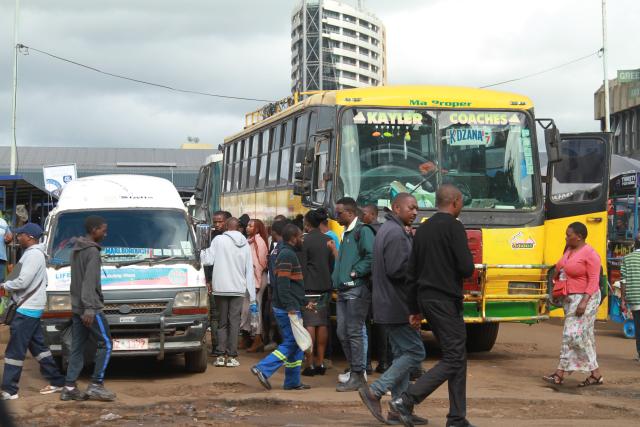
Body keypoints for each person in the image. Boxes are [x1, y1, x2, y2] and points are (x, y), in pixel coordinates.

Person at [389, 184, 475, 427]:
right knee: (454, 358)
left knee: (457, 355)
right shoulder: (455, 227)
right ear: (456, 202)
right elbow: (466, 268)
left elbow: (411, 273)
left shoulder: (422, 229)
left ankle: (457, 418)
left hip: (426, 300)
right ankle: (405, 400)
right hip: (445, 299)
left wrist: (414, 309)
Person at [359, 193, 428, 425]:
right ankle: (375, 391)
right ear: (396, 208)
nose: (415, 212)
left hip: (388, 304)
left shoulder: (390, 230)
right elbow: (398, 270)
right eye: (411, 208)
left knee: (401, 355)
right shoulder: (396, 233)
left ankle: (398, 408)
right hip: (397, 305)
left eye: (417, 208)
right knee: (416, 353)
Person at [0, 223, 65, 400]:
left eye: (20, 235)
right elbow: (36, 281)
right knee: (39, 348)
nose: (17, 237)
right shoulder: (32, 254)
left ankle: (9, 390)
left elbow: (22, 282)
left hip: (26, 310)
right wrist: (11, 279)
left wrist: (4, 285)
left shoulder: (33, 255)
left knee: (14, 352)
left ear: (29, 237)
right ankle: (57, 381)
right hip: (31, 309)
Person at [251, 224, 312, 391]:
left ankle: (292, 382)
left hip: (288, 305)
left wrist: (304, 302)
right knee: (292, 342)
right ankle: (263, 368)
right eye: (300, 237)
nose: (302, 240)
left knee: (296, 344)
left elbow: (291, 285)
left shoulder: (285, 252)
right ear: (293, 238)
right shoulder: (287, 255)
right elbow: (283, 286)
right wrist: (291, 307)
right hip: (287, 308)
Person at [543, 222, 603, 387]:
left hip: (586, 299)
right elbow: (560, 268)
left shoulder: (591, 254)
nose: (566, 237)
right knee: (584, 337)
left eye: (569, 235)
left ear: (580, 236)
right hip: (570, 299)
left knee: (572, 334)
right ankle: (595, 374)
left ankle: (559, 374)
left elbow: (593, 281)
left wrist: (584, 302)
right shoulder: (569, 250)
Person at [62, 215, 116, 402]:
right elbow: (88, 282)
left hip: (77, 307)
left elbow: (75, 282)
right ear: (94, 230)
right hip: (89, 308)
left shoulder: (76, 249)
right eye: (103, 229)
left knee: (77, 347)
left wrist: (80, 306)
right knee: (107, 344)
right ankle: (96, 385)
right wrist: (90, 309)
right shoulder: (92, 251)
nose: (105, 233)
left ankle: (69, 387)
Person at [329, 197, 374, 392]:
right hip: (344, 290)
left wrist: (355, 273)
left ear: (350, 213)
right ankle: (356, 371)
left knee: (355, 332)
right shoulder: (347, 233)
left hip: (356, 289)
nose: (336, 216)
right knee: (342, 331)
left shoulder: (362, 231)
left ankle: (358, 374)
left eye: (338, 213)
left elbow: (371, 256)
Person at [201, 217, 256, 368]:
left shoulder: (218, 240)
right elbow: (249, 269)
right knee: (235, 322)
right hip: (238, 289)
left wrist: (201, 251)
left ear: (226, 226)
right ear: (238, 228)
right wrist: (252, 295)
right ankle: (231, 356)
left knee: (221, 323)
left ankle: (220, 355)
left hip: (220, 288)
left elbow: (207, 260)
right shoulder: (245, 242)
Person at [300, 209, 334, 377]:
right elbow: (331, 265)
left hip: (309, 288)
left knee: (309, 325)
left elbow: (303, 267)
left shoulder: (304, 241)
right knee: (322, 324)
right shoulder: (329, 240)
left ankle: (309, 363)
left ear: (307, 224)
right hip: (325, 287)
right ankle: (320, 362)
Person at [206, 210, 232, 355]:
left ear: (227, 222)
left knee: (230, 316)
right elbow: (208, 262)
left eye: (220, 221)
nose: (217, 225)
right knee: (215, 315)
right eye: (215, 221)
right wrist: (208, 280)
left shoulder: (235, 239)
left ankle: (228, 347)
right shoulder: (210, 237)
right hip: (215, 281)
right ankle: (217, 346)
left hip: (231, 282)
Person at [246, 219, 269, 353]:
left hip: (257, 281)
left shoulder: (258, 242)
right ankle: (250, 337)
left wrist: (257, 283)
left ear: (258, 228)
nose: (247, 228)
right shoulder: (249, 241)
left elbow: (261, 265)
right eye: (248, 225)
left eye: (251, 226)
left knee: (256, 310)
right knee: (249, 311)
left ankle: (258, 339)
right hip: (251, 280)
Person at [622, 234, 640, 362]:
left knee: (638, 327)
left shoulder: (627, 258)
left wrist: (623, 299)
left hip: (635, 298)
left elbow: (623, 280)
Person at [0, 214, 12, 283]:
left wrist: (9, 239)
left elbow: (9, 236)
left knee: (1, 281)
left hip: (1, 257)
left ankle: (1, 294)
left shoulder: (3, 222)